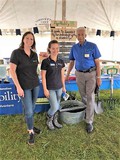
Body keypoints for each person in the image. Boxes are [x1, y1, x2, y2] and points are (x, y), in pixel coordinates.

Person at [66, 27, 101, 133]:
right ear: (76, 36)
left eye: (82, 34)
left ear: (85, 35)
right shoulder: (74, 48)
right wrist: (67, 74)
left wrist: (98, 77)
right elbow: (72, 62)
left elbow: (98, 63)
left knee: (90, 96)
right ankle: (88, 111)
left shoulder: (93, 46)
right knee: (83, 96)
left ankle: (89, 121)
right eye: (78, 34)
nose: (80, 36)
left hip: (91, 74)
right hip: (79, 75)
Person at [10, 31, 41, 145]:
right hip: (24, 87)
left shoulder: (34, 54)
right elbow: (12, 71)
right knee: (28, 110)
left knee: (31, 108)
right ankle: (31, 132)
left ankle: (31, 125)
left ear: (33, 42)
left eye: (31, 39)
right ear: (23, 39)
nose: (29, 41)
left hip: (35, 85)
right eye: (27, 38)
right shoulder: (16, 53)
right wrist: (18, 87)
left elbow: (34, 69)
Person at [41, 40, 66, 130]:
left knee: (57, 106)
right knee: (54, 106)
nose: (55, 50)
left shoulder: (61, 61)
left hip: (59, 87)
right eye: (53, 48)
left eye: (57, 48)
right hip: (50, 88)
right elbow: (43, 76)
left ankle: (55, 121)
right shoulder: (45, 62)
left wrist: (64, 87)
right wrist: (45, 89)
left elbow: (62, 75)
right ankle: (48, 119)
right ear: (49, 49)